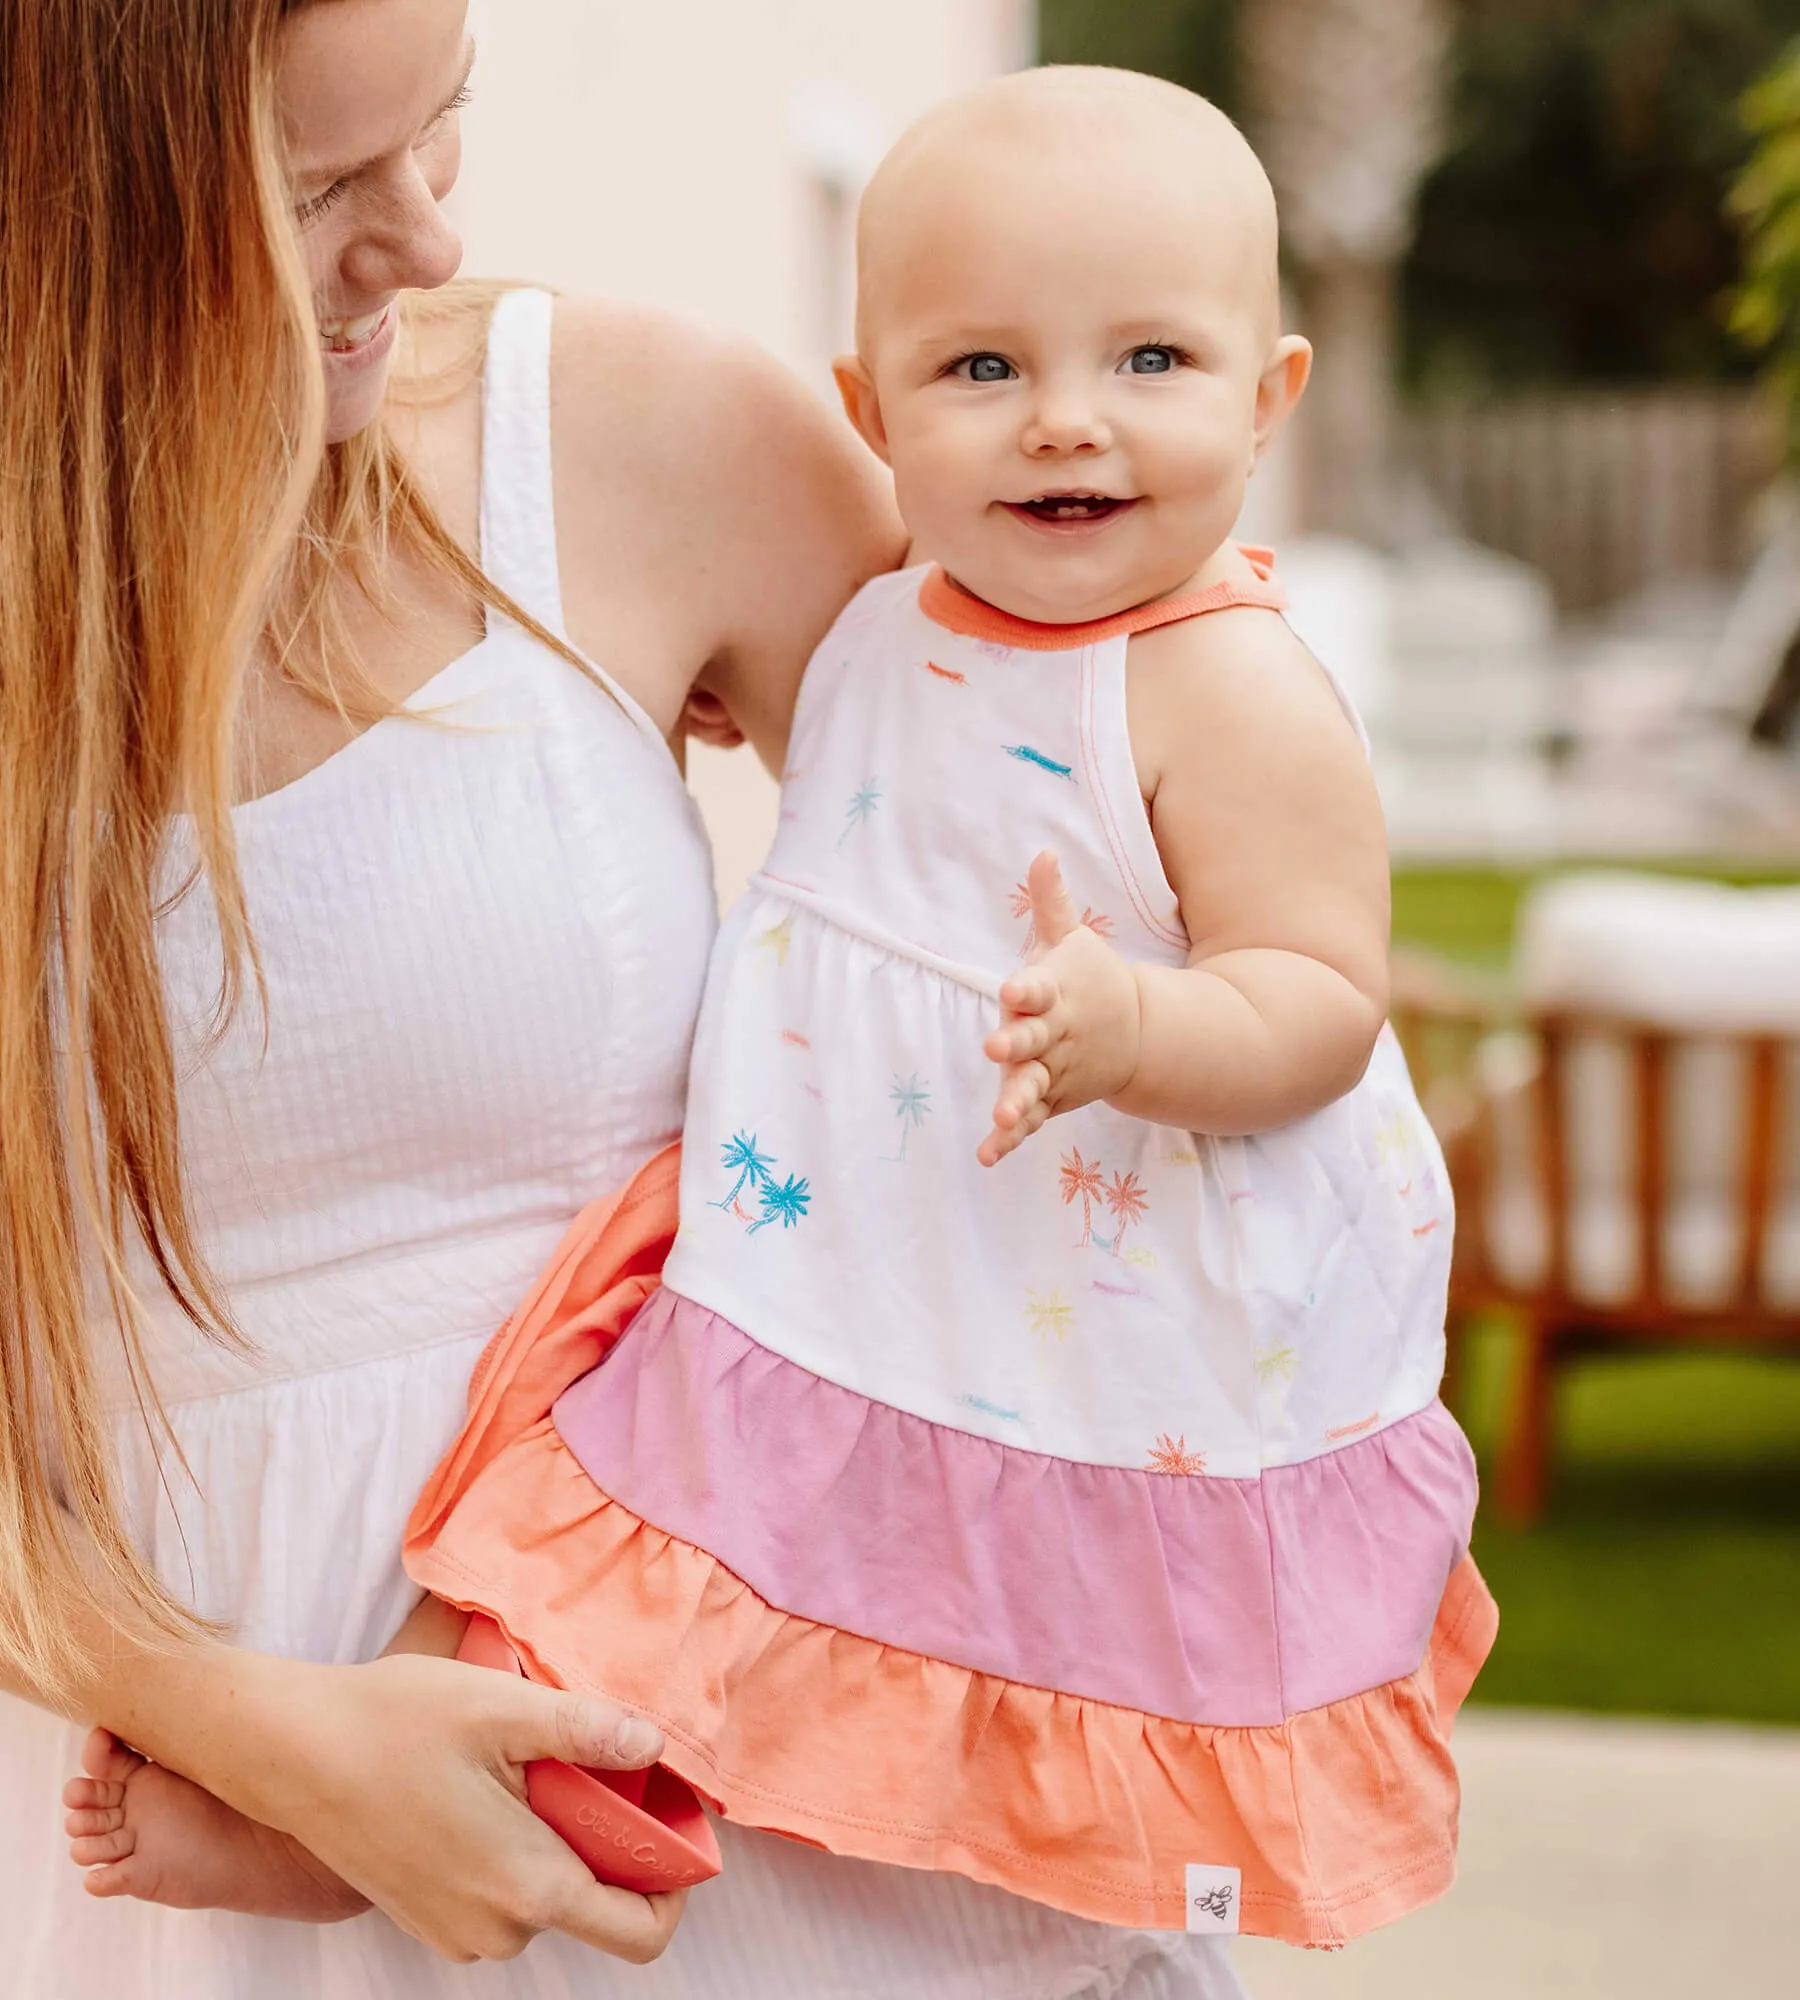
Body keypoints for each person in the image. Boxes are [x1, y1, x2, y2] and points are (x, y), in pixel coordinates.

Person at [66, 63, 1495, 1960]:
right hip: (736, 1297)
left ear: (1273, 393)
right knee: (551, 1563)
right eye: (321, 175)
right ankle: (317, 1832)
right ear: (876, 408)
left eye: (446, 126)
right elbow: (892, 796)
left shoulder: (1219, 690)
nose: (1067, 423)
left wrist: (1136, 1032)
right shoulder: (921, 620)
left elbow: (1316, 989)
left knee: (757, 1635)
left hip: (936, 1295)